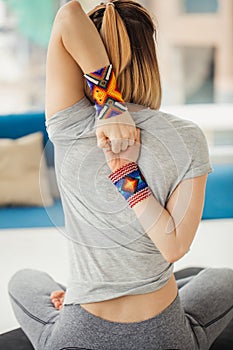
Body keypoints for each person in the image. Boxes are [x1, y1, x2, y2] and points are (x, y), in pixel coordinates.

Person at [8, 1, 233, 349]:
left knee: (23, 280)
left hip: (79, 334)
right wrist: (131, 179)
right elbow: (174, 247)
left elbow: (68, 15)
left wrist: (109, 105)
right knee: (224, 280)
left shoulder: (70, 124)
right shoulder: (186, 137)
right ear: (149, 62)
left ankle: (70, 298)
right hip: (163, 335)